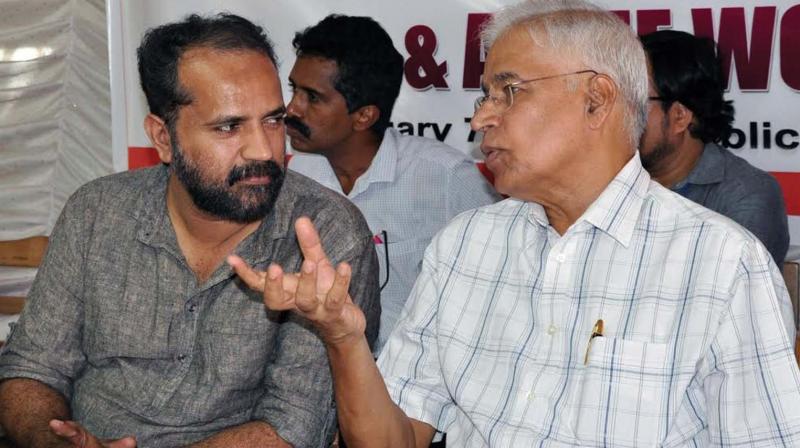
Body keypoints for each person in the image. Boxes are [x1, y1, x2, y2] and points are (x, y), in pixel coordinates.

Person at [231, 0, 800, 446]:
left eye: (509, 91)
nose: (480, 118)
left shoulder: (722, 264)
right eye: (484, 95)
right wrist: (343, 337)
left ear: (597, 99)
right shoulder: (465, 246)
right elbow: (395, 439)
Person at [0, 13, 379, 448]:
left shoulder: (326, 233)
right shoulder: (97, 211)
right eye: (229, 127)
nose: (265, 149)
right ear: (163, 138)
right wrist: (53, 441)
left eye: (273, 120)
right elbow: (30, 368)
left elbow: (296, 426)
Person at [286, 14, 500, 354]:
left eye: (312, 97)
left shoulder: (446, 178)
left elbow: (494, 298)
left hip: (407, 387)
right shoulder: (300, 172)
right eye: (293, 89)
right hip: (316, 375)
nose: (292, 108)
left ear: (364, 116)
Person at [640, 30, 789, 265]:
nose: (619, 115)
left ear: (680, 116)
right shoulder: (610, 178)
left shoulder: (746, 195)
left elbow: (726, 295)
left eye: (637, 101)